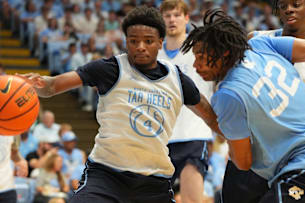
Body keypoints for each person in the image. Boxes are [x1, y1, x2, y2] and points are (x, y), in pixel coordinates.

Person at [18, 6, 221, 203]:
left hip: (153, 181)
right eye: (134, 41)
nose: (140, 46)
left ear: (160, 42)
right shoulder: (110, 69)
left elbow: (210, 116)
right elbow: (53, 85)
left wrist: (238, 139)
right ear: (126, 41)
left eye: (148, 41)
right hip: (107, 174)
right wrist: (40, 84)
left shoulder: (178, 79)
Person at [181, 8, 305, 202]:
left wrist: (204, 111)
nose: (196, 65)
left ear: (224, 54)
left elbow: (244, 162)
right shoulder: (259, 44)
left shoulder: (228, 95)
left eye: (202, 58)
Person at [222, 0, 305, 202]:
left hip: (288, 157)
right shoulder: (257, 39)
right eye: (283, 6)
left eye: (296, 4)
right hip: (249, 150)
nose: (289, 9)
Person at [158, 1, 215, 203]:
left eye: (176, 15)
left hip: (194, 134)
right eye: (167, 16)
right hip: (161, 139)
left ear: (186, 18)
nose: (172, 20)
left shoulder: (199, 50)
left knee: (192, 200)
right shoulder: (154, 56)